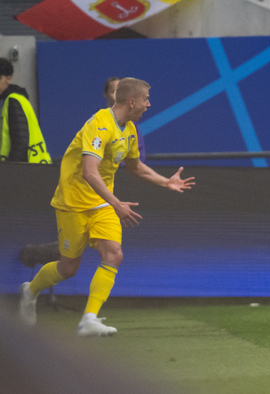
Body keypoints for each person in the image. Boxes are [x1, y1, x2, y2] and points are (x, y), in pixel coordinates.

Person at [18, 78, 195, 336]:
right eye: (146, 99)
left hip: (102, 204)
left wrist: (165, 181)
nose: (149, 104)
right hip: (72, 203)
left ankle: (88, 318)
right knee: (68, 268)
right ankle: (30, 290)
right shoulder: (99, 125)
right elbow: (90, 172)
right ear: (132, 101)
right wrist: (117, 203)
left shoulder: (131, 130)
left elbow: (135, 166)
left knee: (114, 254)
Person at [0, 58, 52, 163]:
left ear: (8, 79)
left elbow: (21, 142)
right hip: (33, 169)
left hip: (28, 172)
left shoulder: (13, 101)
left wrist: (10, 172)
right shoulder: (14, 100)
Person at [104, 77, 146, 163]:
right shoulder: (97, 121)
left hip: (127, 174)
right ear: (105, 94)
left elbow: (139, 155)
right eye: (113, 92)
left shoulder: (132, 123)